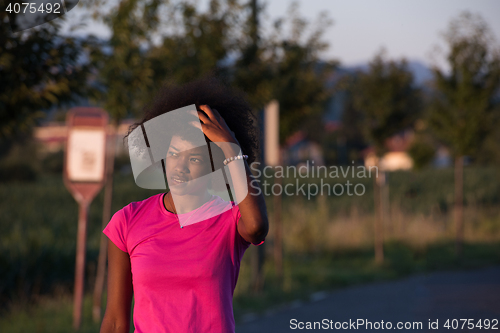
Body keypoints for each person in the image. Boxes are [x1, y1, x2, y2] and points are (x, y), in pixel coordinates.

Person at [99, 76, 269, 333]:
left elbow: (257, 226)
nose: (181, 166)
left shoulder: (228, 218)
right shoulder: (127, 221)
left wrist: (230, 148)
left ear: (212, 166)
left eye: (196, 159)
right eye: (175, 153)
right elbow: (114, 322)